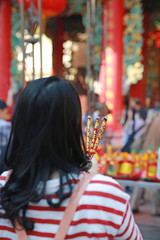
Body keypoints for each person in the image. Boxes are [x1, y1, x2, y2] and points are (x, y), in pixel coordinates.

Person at [0, 76, 143, 239]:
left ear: (19, 124)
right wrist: (91, 179)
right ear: (75, 125)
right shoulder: (105, 194)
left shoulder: (4, 187)